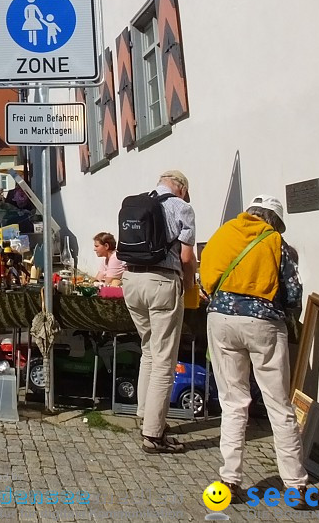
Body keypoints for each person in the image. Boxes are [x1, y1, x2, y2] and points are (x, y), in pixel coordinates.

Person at [200, 195, 306, 494]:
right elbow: (293, 291)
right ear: (273, 221)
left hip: (220, 319)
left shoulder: (223, 234)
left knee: (233, 402)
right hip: (263, 322)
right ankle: (296, 483)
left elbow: (205, 279)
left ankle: (230, 479)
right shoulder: (274, 242)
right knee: (278, 404)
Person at [123, 170, 196, 454]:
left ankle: (144, 415)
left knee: (149, 351)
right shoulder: (182, 207)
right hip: (162, 281)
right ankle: (153, 435)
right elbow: (187, 256)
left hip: (131, 281)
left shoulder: (136, 203)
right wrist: (189, 285)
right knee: (165, 359)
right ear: (181, 188)